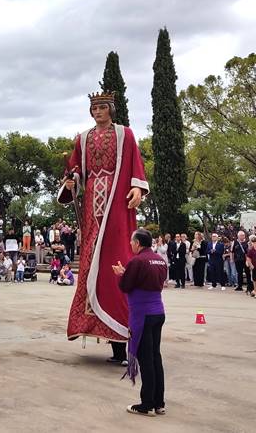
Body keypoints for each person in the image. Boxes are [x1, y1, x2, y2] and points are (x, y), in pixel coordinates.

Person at [59, 90, 148, 365]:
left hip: (116, 203)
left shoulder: (125, 134)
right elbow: (75, 169)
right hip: (91, 208)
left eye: (101, 107)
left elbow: (135, 164)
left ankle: (124, 341)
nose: (97, 112)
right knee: (90, 267)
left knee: (115, 264)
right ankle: (107, 338)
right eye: (93, 108)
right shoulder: (83, 138)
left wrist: (136, 188)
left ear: (110, 109)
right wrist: (71, 180)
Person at [112, 228, 166, 417]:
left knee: (146, 360)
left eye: (132, 241)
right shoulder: (159, 259)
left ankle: (147, 404)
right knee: (155, 357)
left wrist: (121, 275)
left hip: (143, 313)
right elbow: (148, 281)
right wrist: (127, 273)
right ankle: (159, 402)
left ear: (137, 243)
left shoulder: (137, 260)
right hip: (158, 311)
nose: (130, 244)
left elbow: (126, 286)